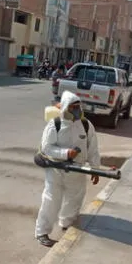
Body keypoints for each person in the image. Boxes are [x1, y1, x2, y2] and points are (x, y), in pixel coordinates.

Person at [35, 91, 101, 247]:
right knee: (50, 201)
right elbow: (46, 148)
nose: (77, 110)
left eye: (78, 107)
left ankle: (66, 223)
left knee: (74, 199)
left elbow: (93, 149)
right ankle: (42, 232)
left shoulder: (85, 125)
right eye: (73, 107)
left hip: (77, 172)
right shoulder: (55, 124)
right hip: (56, 171)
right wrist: (66, 153)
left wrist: (95, 169)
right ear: (65, 108)